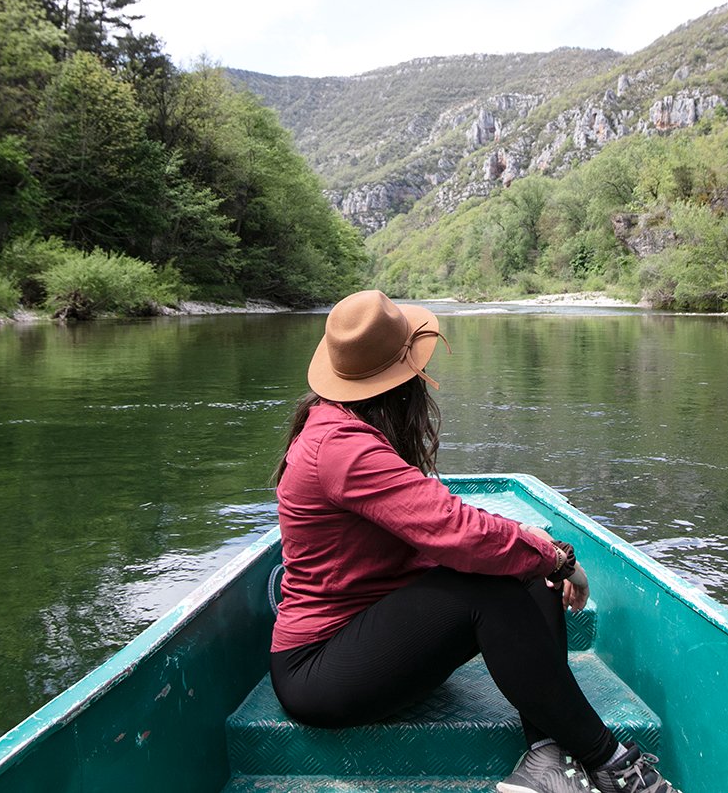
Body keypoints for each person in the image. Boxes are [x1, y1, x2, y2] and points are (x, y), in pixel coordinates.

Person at [270, 289, 677, 793]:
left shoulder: (351, 430)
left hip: (373, 638)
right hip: (321, 669)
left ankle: (545, 757)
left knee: (524, 573)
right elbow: (456, 531)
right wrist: (557, 557)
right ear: (401, 382)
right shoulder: (341, 447)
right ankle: (612, 763)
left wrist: (538, 555)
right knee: (498, 581)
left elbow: (444, 519)